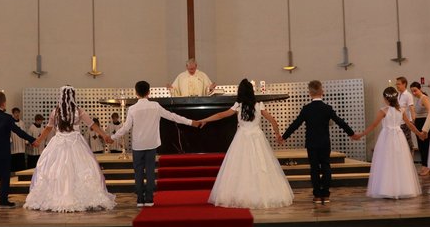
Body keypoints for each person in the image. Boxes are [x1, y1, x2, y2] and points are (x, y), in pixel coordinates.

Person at [200, 79, 293, 209]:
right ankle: (263, 194)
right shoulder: (259, 105)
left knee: (240, 166)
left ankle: (240, 194)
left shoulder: (238, 105)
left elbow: (221, 115)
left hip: (242, 138)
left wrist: (205, 120)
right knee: (261, 166)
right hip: (257, 138)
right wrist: (277, 135)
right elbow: (272, 120)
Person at [25, 86, 116, 212]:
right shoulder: (78, 111)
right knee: (81, 167)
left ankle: (57, 195)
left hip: (58, 143)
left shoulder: (56, 112)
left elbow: (48, 128)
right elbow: (92, 124)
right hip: (76, 143)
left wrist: (38, 141)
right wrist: (105, 135)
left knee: (55, 169)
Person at [112, 81, 199, 207]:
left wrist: (112, 137)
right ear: (149, 92)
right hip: (152, 144)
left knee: (138, 172)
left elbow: (126, 128)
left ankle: (140, 199)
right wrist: (191, 122)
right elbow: (172, 116)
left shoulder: (132, 109)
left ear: (136, 93)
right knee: (150, 172)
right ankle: (149, 199)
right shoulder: (155, 106)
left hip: (138, 145)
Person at [281, 80, 355, 205]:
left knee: (314, 168)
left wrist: (284, 137)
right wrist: (351, 133)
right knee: (326, 167)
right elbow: (339, 121)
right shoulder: (327, 108)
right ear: (322, 92)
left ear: (309, 93)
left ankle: (317, 195)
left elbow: (296, 124)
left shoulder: (307, 109)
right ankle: (325, 194)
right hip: (324, 142)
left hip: (311, 143)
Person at [352, 87, 422, 199]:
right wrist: (419, 134)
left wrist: (360, 135)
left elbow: (373, 125)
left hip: (387, 138)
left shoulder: (383, 111)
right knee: (399, 162)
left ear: (385, 98)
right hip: (399, 137)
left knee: (386, 162)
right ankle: (403, 188)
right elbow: (409, 125)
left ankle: (386, 189)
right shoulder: (401, 110)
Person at [410, 82, 430, 176]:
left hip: (424, 123)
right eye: (412, 91)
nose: (414, 93)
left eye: (415, 91)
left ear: (420, 89)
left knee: (425, 146)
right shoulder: (418, 99)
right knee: (421, 146)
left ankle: (427, 166)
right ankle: (424, 165)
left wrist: (426, 128)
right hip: (419, 123)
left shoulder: (424, 98)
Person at [396, 77, 415, 153]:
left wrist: (413, 120)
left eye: (399, 84)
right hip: (399, 122)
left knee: (408, 142)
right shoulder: (398, 95)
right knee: (400, 143)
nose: (397, 86)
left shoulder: (408, 95)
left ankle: (410, 158)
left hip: (406, 122)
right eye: (396, 84)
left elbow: (411, 108)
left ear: (404, 84)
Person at [10, 107, 28, 172]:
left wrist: (26, 141)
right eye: (15, 113)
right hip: (13, 146)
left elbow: (24, 132)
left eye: (18, 113)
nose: (17, 114)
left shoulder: (22, 123)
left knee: (21, 164)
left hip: (21, 146)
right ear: (13, 114)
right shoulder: (10, 123)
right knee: (14, 164)